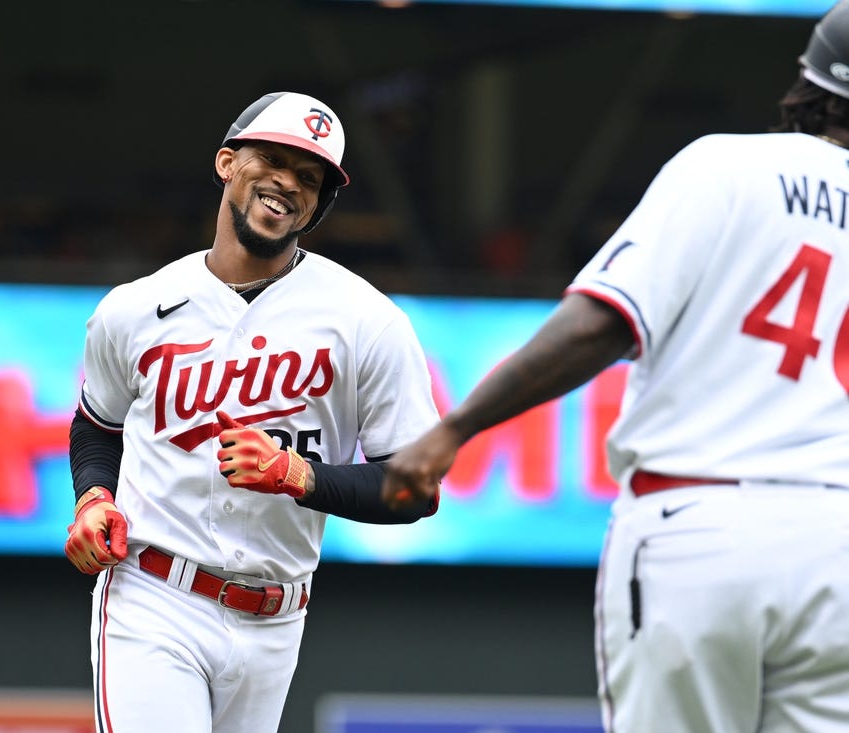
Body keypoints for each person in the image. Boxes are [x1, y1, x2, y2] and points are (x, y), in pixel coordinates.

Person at [382, 5, 849, 732]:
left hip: (700, 521)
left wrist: (454, 428)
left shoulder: (730, 164)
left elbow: (600, 322)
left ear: (809, 80)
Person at [63, 90, 440, 733]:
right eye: (273, 159)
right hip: (155, 598)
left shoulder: (368, 321)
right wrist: (94, 498)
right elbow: (98, 426)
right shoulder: (135, 308)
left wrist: (300, 476)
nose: (288, 183)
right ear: (227, 163)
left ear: (318, 205)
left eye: (310, 178)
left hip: (277, 619)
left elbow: (415, 489)